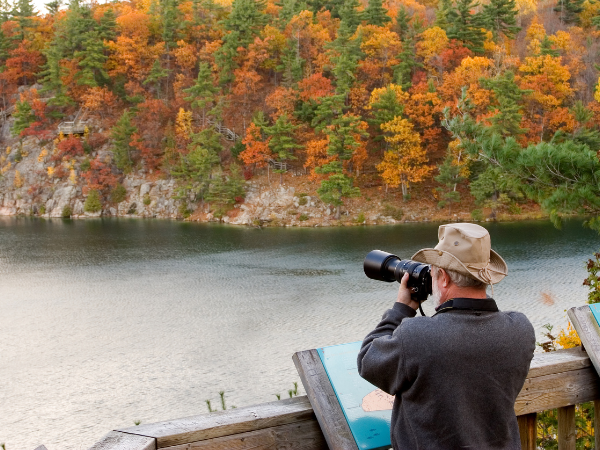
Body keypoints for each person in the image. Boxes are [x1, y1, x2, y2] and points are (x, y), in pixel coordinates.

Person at [357, 223, 535, 450]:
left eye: (432, 271)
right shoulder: (519, 329)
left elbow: (368, 360)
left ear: (443, 277)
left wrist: (401, 308)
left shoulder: (417, 336)